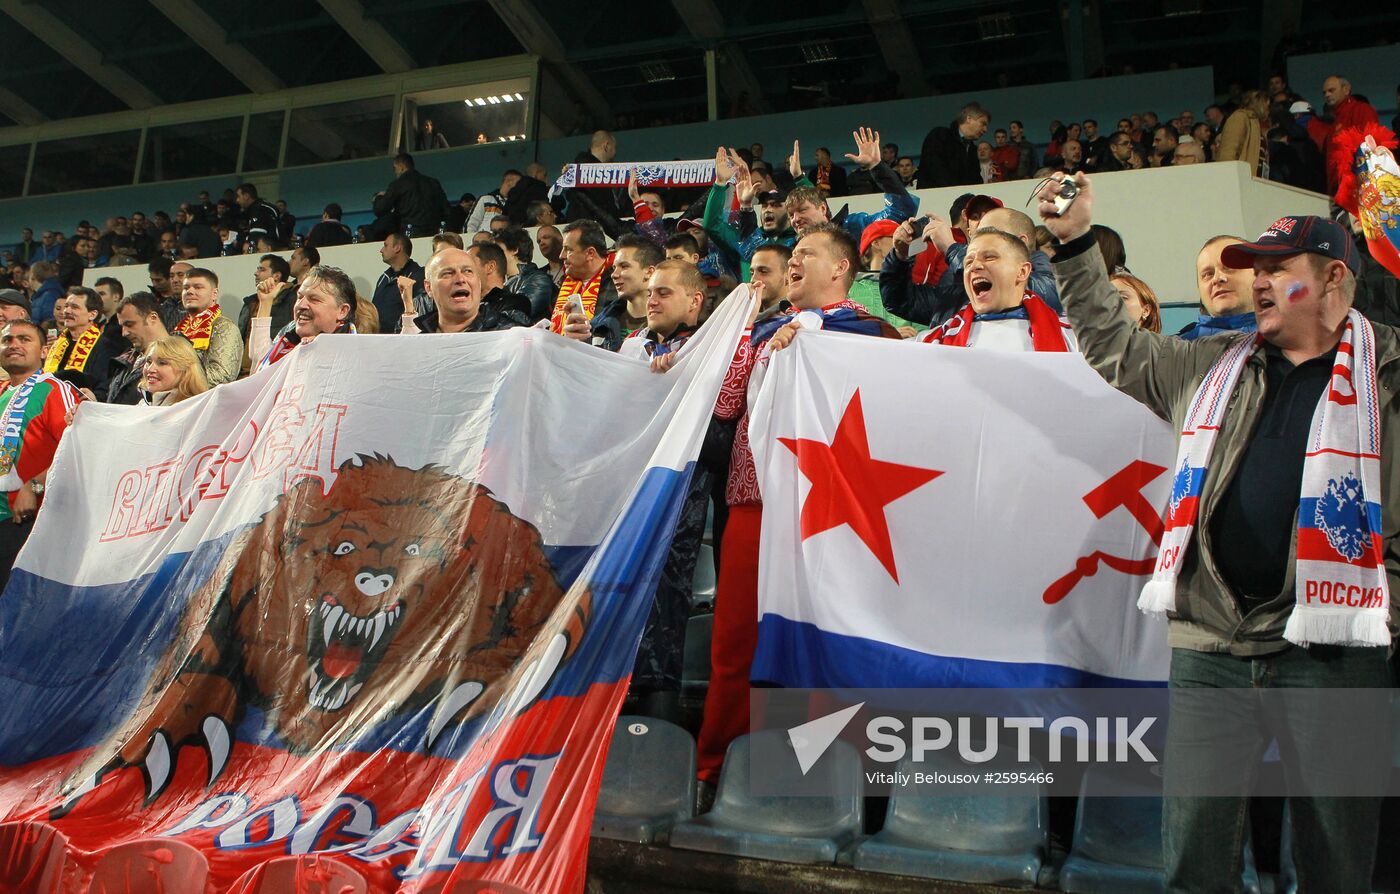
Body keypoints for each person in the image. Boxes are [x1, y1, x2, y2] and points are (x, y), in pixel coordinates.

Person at [1040, 171, 1396, 894]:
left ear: (1333, 278)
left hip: (1336, 655)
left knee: (1338, 866)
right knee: (1195, 863)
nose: (1258, 284)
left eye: (1276, 271)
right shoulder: (1209, 365)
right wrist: (1075, 241)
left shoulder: (1390, 374)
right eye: (1252, 272)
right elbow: (1113, 346)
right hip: (1211, 647)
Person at [697, 223, 901, 788]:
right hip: (753, 501)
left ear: (840, 269)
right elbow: (725, 402)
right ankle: (721, 769)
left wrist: (815, 339)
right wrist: (750, 334)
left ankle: (825, 778)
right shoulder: (761, 330)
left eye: (807, 254)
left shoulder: (874, 334)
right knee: (736, 641)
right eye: (793, 255)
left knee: (826, 640)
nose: (793, 262)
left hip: (832, 513)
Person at [882, 206, 1061, 328]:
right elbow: (900, 301)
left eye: (990, 233)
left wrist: (952, 249)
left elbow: (1034, 293)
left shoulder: (1049, 272)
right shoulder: (956, 280)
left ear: (1021, 243)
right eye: (977, 236)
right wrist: (900, 257)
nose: (980, 240)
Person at [0, 320, 80, 589]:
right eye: (7, 340)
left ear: (44, 350)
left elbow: (79, 452)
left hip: (29, 522)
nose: (14, 345)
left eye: (24, 339)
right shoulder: (1, 392)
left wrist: (34, 486)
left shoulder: (55, 390)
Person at [917, 227, 1076, 351]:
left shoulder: (1073, 338)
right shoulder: (931, 342)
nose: (975, 266)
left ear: (1022, 272)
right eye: (968, 262)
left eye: (989, 257)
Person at [564, 233, 662, 351]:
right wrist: (575, 343)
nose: (614, 275)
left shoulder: (670, 325)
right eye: (614, 268)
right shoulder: (597, 326)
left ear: (649, 272)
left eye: (624, 266)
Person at [402, 248, 532, 334]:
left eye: (468, 271)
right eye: (448, 273)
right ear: (428, 287)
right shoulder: (418, 341)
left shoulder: (510, 335)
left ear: (479, 283)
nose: (460, 279)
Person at [255, 266, 358, 370]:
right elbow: (260, 359)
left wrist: (320, 352)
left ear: (342, 311)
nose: (301, 305)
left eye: (314, 299)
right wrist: (265, 303)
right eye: (299, 297)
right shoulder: (288, 338)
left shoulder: (357, 358)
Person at [549, 220, 618, 343]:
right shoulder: (564, 282)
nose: (561, 256)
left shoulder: (616, 281)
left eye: (568, 250)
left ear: (590, 253)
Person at [1177, 235, 1257, 340]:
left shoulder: (1284, 337)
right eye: (1207, 274)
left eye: (1229, 267)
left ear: (1258, 273)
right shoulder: (1176, 351)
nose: (1217, 278)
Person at [45, 288, 118, 399]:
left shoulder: (105, 347)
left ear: (92, 315)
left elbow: (103, 388)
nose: (67, 311)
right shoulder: (58, 343)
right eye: (66, 306)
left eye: (74, 307)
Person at [174, 268, 242, 386]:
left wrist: (174, 379)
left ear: (214, 294)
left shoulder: (223, 327)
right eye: (186, 288)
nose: (189, 291)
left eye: (198, 287)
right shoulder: (179, 330)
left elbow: (222, 376)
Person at [107, 292, 168, 405]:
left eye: (129, 324)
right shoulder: (126, 359)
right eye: (122, 326)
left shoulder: (179, 357)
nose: (124, 333)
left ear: (152, 318)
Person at [368, 153, 447, 238]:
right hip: (434, 233)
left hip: (409, 234)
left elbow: (380, 209)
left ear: (401, 166)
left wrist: (379, 197)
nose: (394, 172)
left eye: (394, 168)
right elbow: (445, 209)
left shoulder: (397, 185)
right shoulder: (433, 183)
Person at [917, 103, 990, 188]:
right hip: (933, 197)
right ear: (969, 119)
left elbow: (975, 180)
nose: (985, 130)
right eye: (983, 123)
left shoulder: (973, 150)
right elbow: (934, 168)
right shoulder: (939, 135)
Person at [495, 227, 555, 323]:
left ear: (514, 250)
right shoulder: (501, 283)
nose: (493, 255)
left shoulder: (538, 280)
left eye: (497, 250)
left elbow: (518, 315)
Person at [370, 233, 423, 334]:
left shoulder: (418, 276)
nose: (381, 250)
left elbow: (420, 310)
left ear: (397, 248)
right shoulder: (383, 278)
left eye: (385, 245)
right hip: (378, 340)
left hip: (403, 339)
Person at [141, 335, 210, 406]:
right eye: (149, 362)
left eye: (162, 363)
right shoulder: (141, 406)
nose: (150, 369)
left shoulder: (194, 409)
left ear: (184, 370)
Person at [1215, 90, 1270, 177]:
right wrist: (1228, 176)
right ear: (1259, 103)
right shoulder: (1240, 118)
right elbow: (1229, 150)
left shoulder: (1255, 124)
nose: (1268, 108)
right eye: (1267, 104)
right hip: (1240, 179)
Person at [234, 183, 286, 251]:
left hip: (274, 251)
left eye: (238, 196)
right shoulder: (250, 211)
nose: (237, 200)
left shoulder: (259, 209)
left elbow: (255, 238)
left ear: (246, 196)